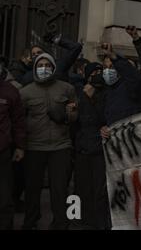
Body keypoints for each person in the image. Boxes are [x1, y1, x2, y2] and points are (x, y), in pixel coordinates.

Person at [20, 53, 78, 230]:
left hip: (61, 145)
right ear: (35, 68)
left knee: (60, 188)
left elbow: (75, 115)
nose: (43, 68)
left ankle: (61, 222)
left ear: (53, 68)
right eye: (40, 65)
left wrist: (67, 114)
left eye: (47, 65)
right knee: (32, 188)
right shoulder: (25, 92)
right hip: (34, 146)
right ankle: (30, 221)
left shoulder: (67, 88)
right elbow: (19, 120)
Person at [73, 62, 110, 230]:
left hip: (99, 149)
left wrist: (90, 99)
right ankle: (80, 220)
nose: (98, 74)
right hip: (82, 149)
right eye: (94, 72)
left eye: (100, 71)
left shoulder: (106, 95)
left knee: (99, 190)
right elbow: (79, 121)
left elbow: (100, 119)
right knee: (82, 187)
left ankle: (98, 222)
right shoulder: (79, 93)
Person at [0, 57, 26, 230]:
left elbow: (18, 122)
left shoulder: (10, 91)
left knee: (3, 198)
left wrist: (20, 146)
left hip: (2, 152)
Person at [100, 43, 141, 126]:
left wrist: (114, 57)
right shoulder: (108, 91)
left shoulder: (130, 86)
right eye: (105, 67)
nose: (107, 70)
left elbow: (134, 77)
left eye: (112, 67)